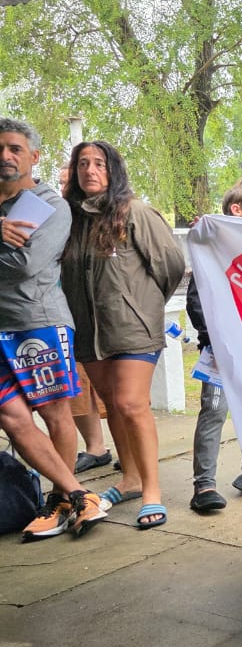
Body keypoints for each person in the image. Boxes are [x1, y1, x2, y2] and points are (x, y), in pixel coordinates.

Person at [62, 140, 185, 529]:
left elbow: (171, 265)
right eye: (83, 163)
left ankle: (152, 492)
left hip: (133, 328)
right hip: (89, 333)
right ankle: (130, 478)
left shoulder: (135, 213)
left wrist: (141, 304)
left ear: (114, 170)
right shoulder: (69, 220)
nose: (90, 170)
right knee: (113, 405)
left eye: (99, 163)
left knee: (132, 404)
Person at [0, 118, 108, 539]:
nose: (5, 156)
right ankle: (77, 495)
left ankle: (61, 501)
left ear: (34, 156)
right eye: (0, 148)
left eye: (14, 148)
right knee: (10, 416)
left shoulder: (44, 203)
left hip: (36, 323)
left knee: (55, 412)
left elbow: (22, 266)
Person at [187, 180, 242, 512]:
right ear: (236, 211)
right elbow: (197, 301)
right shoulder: (209, 248)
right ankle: (204, 484)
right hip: (221, 350)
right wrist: (217, 338)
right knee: (214, 410)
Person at [59, 163, 113, 474]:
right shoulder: (58, 219)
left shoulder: (108, 218)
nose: (65, 189)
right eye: (62, 183)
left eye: (70, 183)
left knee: (116, 388)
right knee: (77, 384)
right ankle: (95, 447)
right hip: (66, 313)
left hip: (103, 315)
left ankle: (131, 452)